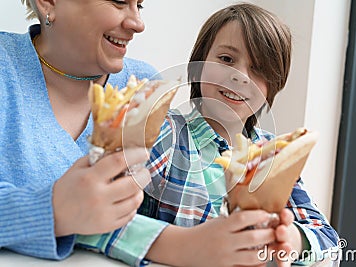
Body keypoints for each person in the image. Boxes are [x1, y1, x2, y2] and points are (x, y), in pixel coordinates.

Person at [76, 3, 339, 267]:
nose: (240, 76)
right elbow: (95, 221)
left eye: (259, 69)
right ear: (199, 65)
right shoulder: (164, 135)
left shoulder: (274, 153)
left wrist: (292, 239)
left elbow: (328, 240)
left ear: (273, 87)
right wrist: (181, 245)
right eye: (226, 59)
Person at [0, 0, 154, 260]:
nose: (138, 23)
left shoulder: (146, 87)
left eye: (139, 5)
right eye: (118, 1)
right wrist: (51, 211)